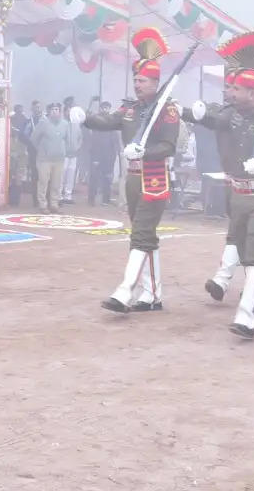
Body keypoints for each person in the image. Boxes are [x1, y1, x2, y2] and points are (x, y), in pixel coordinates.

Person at [183, 32, 254, 340]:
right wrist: (189, 112)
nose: (230, 92)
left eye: (236, 88)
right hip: (237, 193)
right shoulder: (228, 114)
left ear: (253, 93)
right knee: (242, 250)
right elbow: (212, 118)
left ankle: (247, 315)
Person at [80, 28, 178, 315]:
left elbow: (169, 146)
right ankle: (152, 294)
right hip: (134, 178)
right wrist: (85, 118)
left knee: (141, 235)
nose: (137, 84)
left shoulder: (166, 110)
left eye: (143, 80)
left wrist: (145, 152)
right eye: (135, 79)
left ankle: (125, 291)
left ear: (155, 82)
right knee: (144, 235)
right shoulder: (131, 110)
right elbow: (107, 121)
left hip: (155, 177)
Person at [31, 103, 72, 212]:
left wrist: (64, 151)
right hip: (44, 159)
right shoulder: (43, 123)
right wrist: (41, 149)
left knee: (56, 183)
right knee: (43, 182)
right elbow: (34, 138)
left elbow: (68, 140)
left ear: (60, 111)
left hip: (59, 159)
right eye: (53, 109)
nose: (55, 111)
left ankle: (54, 204)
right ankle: (43, 205)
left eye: (57, 109)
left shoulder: (65, 124)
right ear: (49, 111)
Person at [87, 100, 119, 205]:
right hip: (97, 155)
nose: (105, 110)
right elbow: (94, 140)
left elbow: (115, 139)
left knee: (107, 178)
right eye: (104, 108)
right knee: (94, 178)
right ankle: (91, 199)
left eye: (107, 108)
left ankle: (106, 200)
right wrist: (95, 157)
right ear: (100, 109)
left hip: (109, 156)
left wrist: (114, 155)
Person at [59, 94, 82, 206]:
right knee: (61, 175)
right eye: (68, 111)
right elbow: (59, 139)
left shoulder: (76, 124)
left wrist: (77, 147)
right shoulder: (61, 124)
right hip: (63, 154)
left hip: (74, 154)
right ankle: (58, 196)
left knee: (71, 176)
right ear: (64, 112)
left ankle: (68, 196)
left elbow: (80, 138)